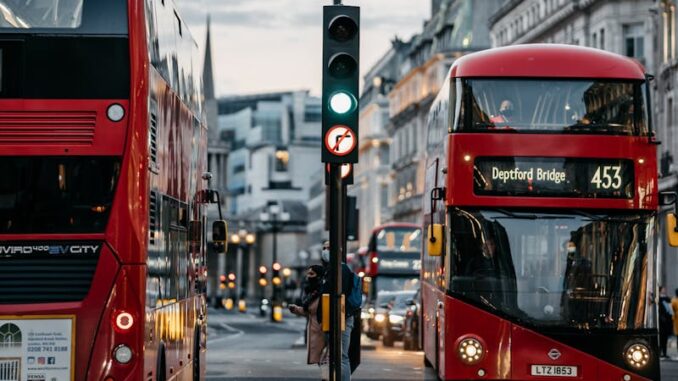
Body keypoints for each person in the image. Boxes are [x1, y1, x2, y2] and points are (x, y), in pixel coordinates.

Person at [318, 240, 360, 381]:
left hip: (342, 317)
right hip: (332, 318)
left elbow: (339, 295)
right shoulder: (330, 270)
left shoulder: (341, 270)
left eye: (329, 248)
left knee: (342, 356)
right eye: (324, 248)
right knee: (335, 355)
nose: (325, 250)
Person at [289, 265, 326, 367]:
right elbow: (310, 311)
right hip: (315, 332)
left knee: (325, 363)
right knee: (322, 363)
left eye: (312, 274)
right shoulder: (311, 293)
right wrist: (296, 309)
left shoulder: (322, 293)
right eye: (308, 273)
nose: (308, 276)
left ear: (319, 276)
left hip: (323, 332)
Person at [659, 286, 673, 358]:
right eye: (663, 289)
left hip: (667, 321)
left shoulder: (667, 299)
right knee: (661, 338)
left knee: (665, 338)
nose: (664, 290)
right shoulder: (659, 299)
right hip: (662, 322)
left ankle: (664, 353)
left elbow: (670, 310)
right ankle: (661, 352)